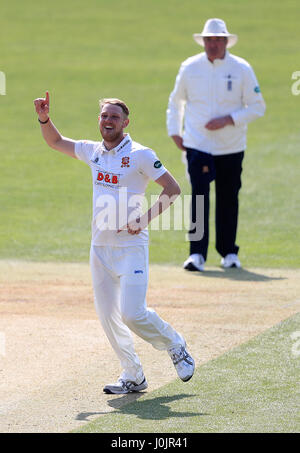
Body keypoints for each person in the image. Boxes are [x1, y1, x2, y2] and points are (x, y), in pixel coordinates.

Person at [33, 92, 195, 394]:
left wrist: (143, 219)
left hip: (131, 249)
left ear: (126, 122)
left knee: (132, 314)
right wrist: (44, 118)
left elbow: (172, 188)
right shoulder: (94, 151)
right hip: (100, 250)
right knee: (109, 318)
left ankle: (176, 345)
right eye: (104, 116)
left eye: (114, 116)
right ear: (99, 120)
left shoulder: (141, 155)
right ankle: (133, 375)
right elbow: (56, 141)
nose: (108, 120)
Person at [167, 18, 266, 271]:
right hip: (197, 143)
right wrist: (174, 132)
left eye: (217, 40)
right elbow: (175, 101)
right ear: (204, 41)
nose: (213, 44)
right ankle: (196, 255)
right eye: (209, 40)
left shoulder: (241, 68)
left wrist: (229, 119)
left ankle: (229, 252)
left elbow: (257, 107)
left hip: (231, 146)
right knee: (199, 198)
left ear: (225, 41)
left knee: (228, 197)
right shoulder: (190, 67)